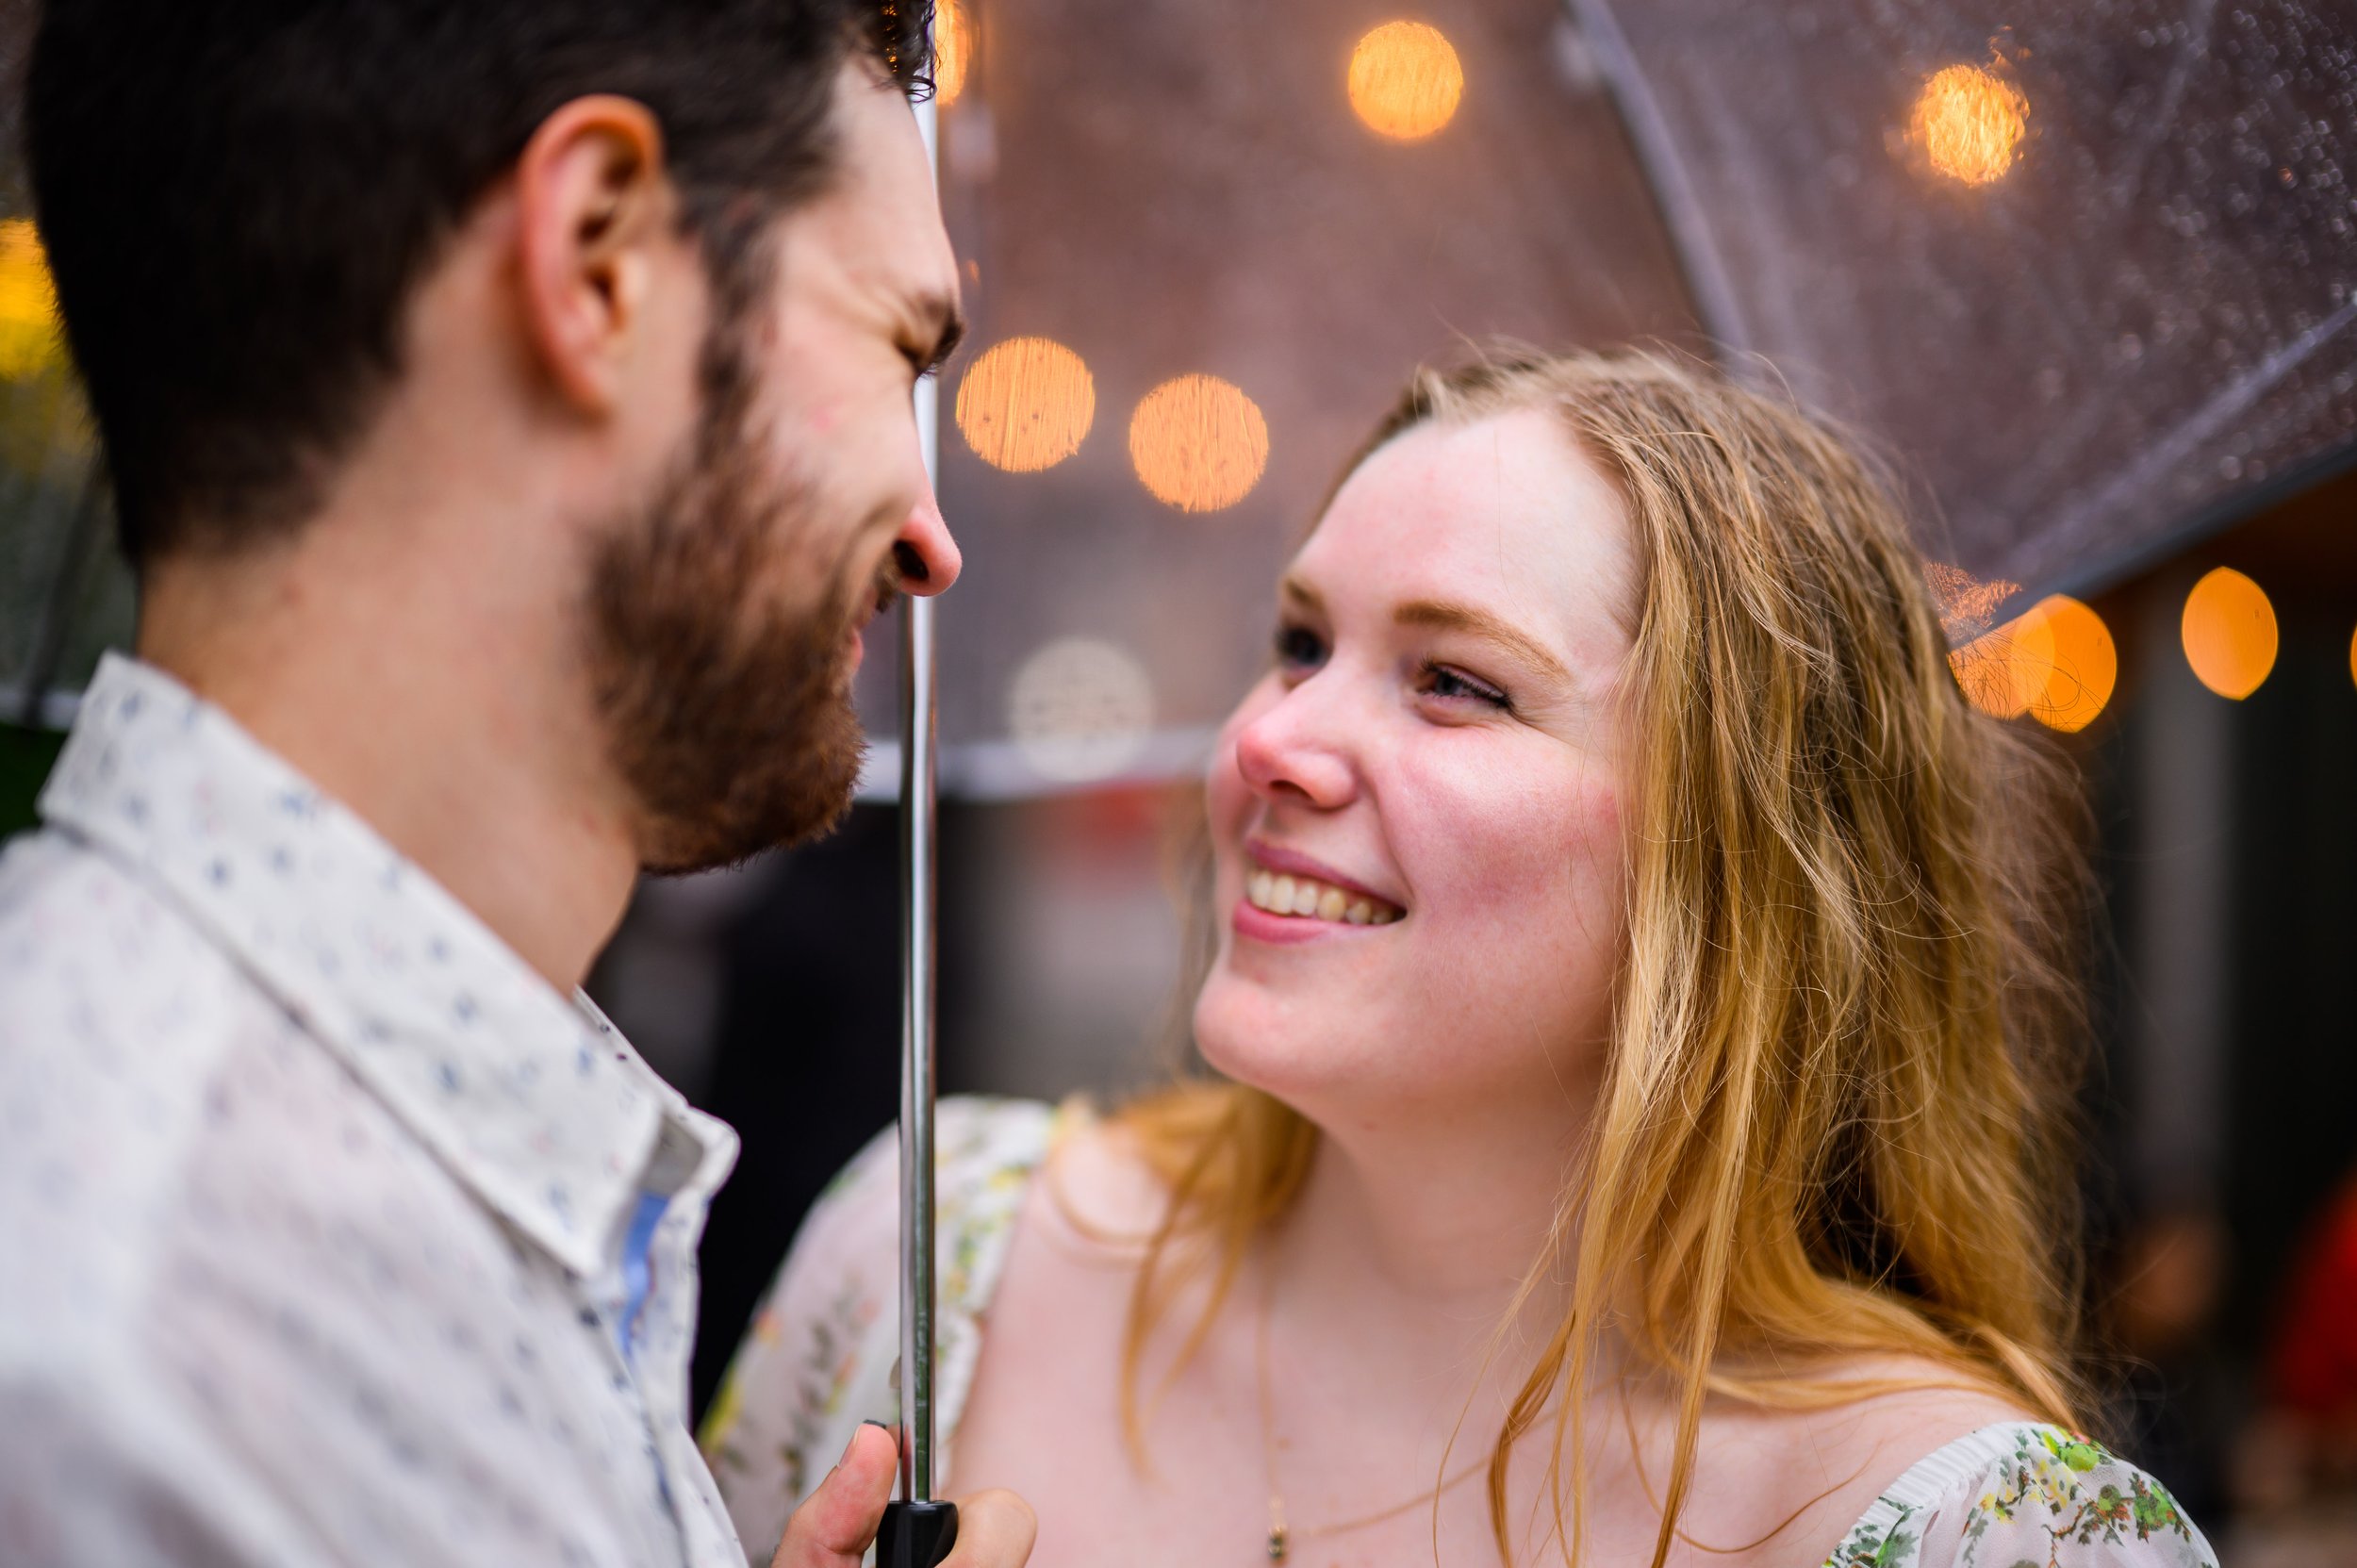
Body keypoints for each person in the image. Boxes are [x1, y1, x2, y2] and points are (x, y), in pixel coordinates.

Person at [705, 352, 2222, 1568]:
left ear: (1741, 856)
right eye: (1299, 643)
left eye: (1453, 682)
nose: (1269, 740)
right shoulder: (931, 1266)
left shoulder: (1983, 1533)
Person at [0, 5, 1034, 1568]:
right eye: (897, 346)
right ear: (597, 256)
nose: (932, 541)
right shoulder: (136, 1374)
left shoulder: (339, 1196)